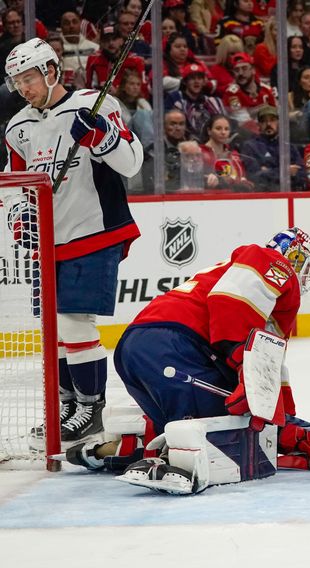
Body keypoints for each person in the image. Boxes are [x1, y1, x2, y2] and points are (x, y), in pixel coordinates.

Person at [109, 228, 310, 494]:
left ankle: (123, 447)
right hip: (177, 348)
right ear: (293, 256)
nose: (303, 278)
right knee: (223, 430)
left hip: (135, 350)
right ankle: (175, 462)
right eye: (304, 267)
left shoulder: (246, 284)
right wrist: (245, 369)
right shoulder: (271, 261)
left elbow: (269, 367)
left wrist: (286, 427)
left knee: (187, 423)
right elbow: (230, 302)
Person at [4, 38, 143, 444]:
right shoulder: (18, 127)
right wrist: (20, 221)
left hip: (94, 231)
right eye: (17, 81)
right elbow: (16, 187)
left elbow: (132, 163)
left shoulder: (95, 105)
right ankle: (67, 405)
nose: (23, 88)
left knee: (73, 320)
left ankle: (90, 408)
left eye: (28, 78)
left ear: (50, 71)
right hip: (48, 241)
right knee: (55, 329)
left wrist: (100, 136)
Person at [240, 104, 306, 191]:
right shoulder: (250, 146)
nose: (268, 124)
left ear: (278, 122)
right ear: (258, 125)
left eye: (272, 120)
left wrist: (268, 171)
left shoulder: (288, 147)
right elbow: (254, 177)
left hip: (291, 192)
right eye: (264, 121)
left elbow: (302, 174)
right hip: (265, 196)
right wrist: (285, 171)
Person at [166, 61, 226, 142]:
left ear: (204, 81)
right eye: (192, 78)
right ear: (185, 81)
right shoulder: (175, 98)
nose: (196, 81)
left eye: (199, 78)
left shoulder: (211, 101)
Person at [201, 114, 253, 191]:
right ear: (209, 131)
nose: (223, 132)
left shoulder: (234, 154)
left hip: (234, 199)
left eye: (226, 129)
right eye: (218, 128)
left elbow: (245, 181)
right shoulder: (199, 152)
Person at [221, 51, 276, 123]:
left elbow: (278, 114)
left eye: (244, 68)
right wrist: (263, 107)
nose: (240, 73)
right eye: (236, 70)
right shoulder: (231, 94)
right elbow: (243, 121)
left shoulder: (267, 89)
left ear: (253, 70)